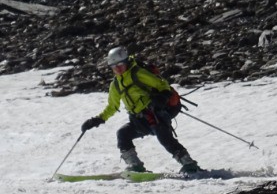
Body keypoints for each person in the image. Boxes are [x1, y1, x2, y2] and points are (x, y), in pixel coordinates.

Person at [81, 46, 202, 174]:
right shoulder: (115, 85)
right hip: (138, 121)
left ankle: (189, 164)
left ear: (127, 62)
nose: (118, 69)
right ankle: (135, 166)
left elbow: (162, 85)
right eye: (114, 67)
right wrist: (97, 120)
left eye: (120, 65)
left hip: (155, 115)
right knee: (123, 134)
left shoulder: (138, 73)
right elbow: (112, 106)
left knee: (164, 137)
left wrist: (163, 97)